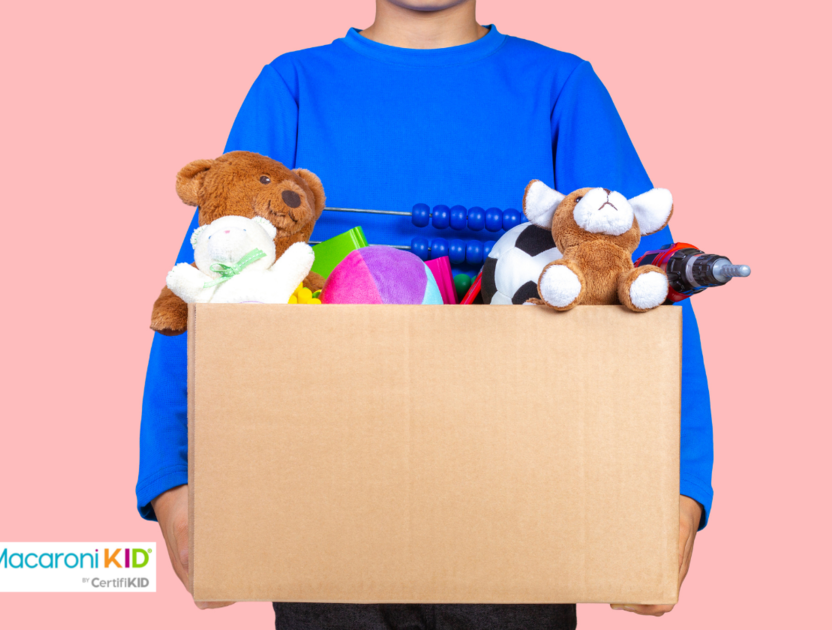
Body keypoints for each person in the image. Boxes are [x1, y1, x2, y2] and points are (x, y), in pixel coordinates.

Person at [138, 0, 713, 627]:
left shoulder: (560, 88)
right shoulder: (293, 86)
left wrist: (681, 492)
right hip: (322, 498)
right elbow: (207, 282)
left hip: (516, 506)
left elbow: (650, 290)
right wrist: (173, 483)